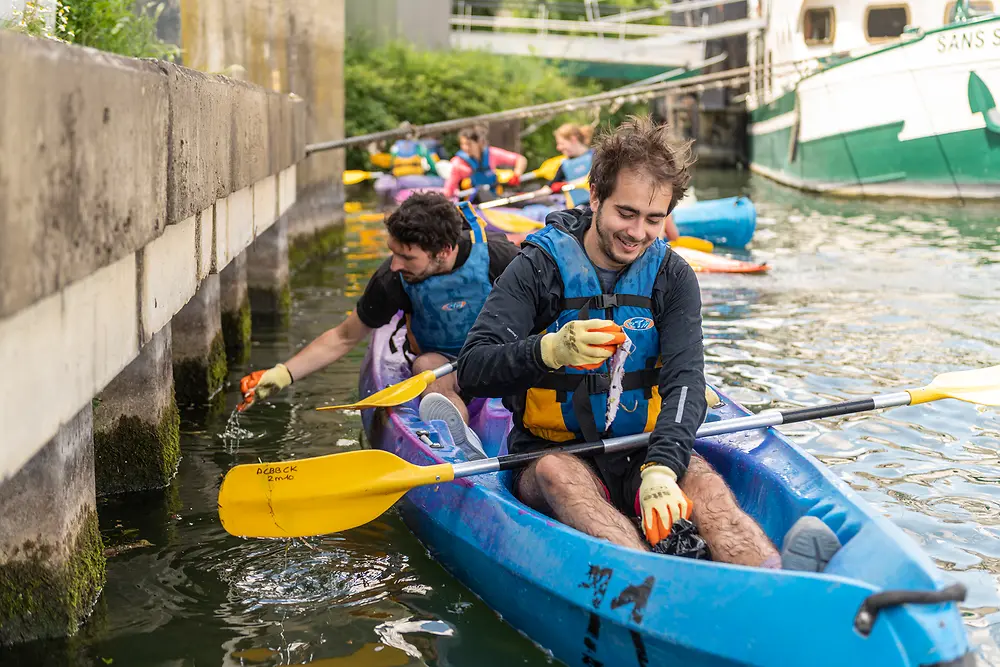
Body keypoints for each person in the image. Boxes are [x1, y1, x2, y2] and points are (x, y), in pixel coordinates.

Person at [456, 116, 841, 570]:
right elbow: (473, 369)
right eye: (626, 212)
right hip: (552, 452)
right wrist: (549, 350)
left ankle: (777, 585)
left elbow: (684, 384)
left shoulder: (672, 276)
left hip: (642, 445)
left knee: (707, 488)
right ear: (595, 197)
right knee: (558, 475)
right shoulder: (537, 268)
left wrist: (662, 466)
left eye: (654, 219)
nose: (638, 232)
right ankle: (653, 583)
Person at [240, 192, 522, 455]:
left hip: (498, 353)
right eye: (393, 252)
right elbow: (344, 337)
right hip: (444, 362)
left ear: (444, 251)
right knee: (425, 367)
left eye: (407, 257)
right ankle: (459, 444)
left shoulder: (499, 257)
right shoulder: (392, 279)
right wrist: (282, 374)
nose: (395, 264)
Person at [442, 125, 528, 201]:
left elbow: (520, 159)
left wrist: (517, 174)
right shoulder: (458, 163)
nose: (465, 148)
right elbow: (449, 189)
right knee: (481, 192)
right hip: (473, 201)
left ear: (478, 143)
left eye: (469, 144)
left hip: (493, 198)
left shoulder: (492, 154)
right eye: (462, 144)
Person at [549, 123, 594, 207]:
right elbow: (550, 187)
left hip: (599, 205)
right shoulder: (564, 165)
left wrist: (567, 184)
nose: (558, 148)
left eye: (561, 143)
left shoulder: (596, 156)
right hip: (580, 209)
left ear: (573, 139)